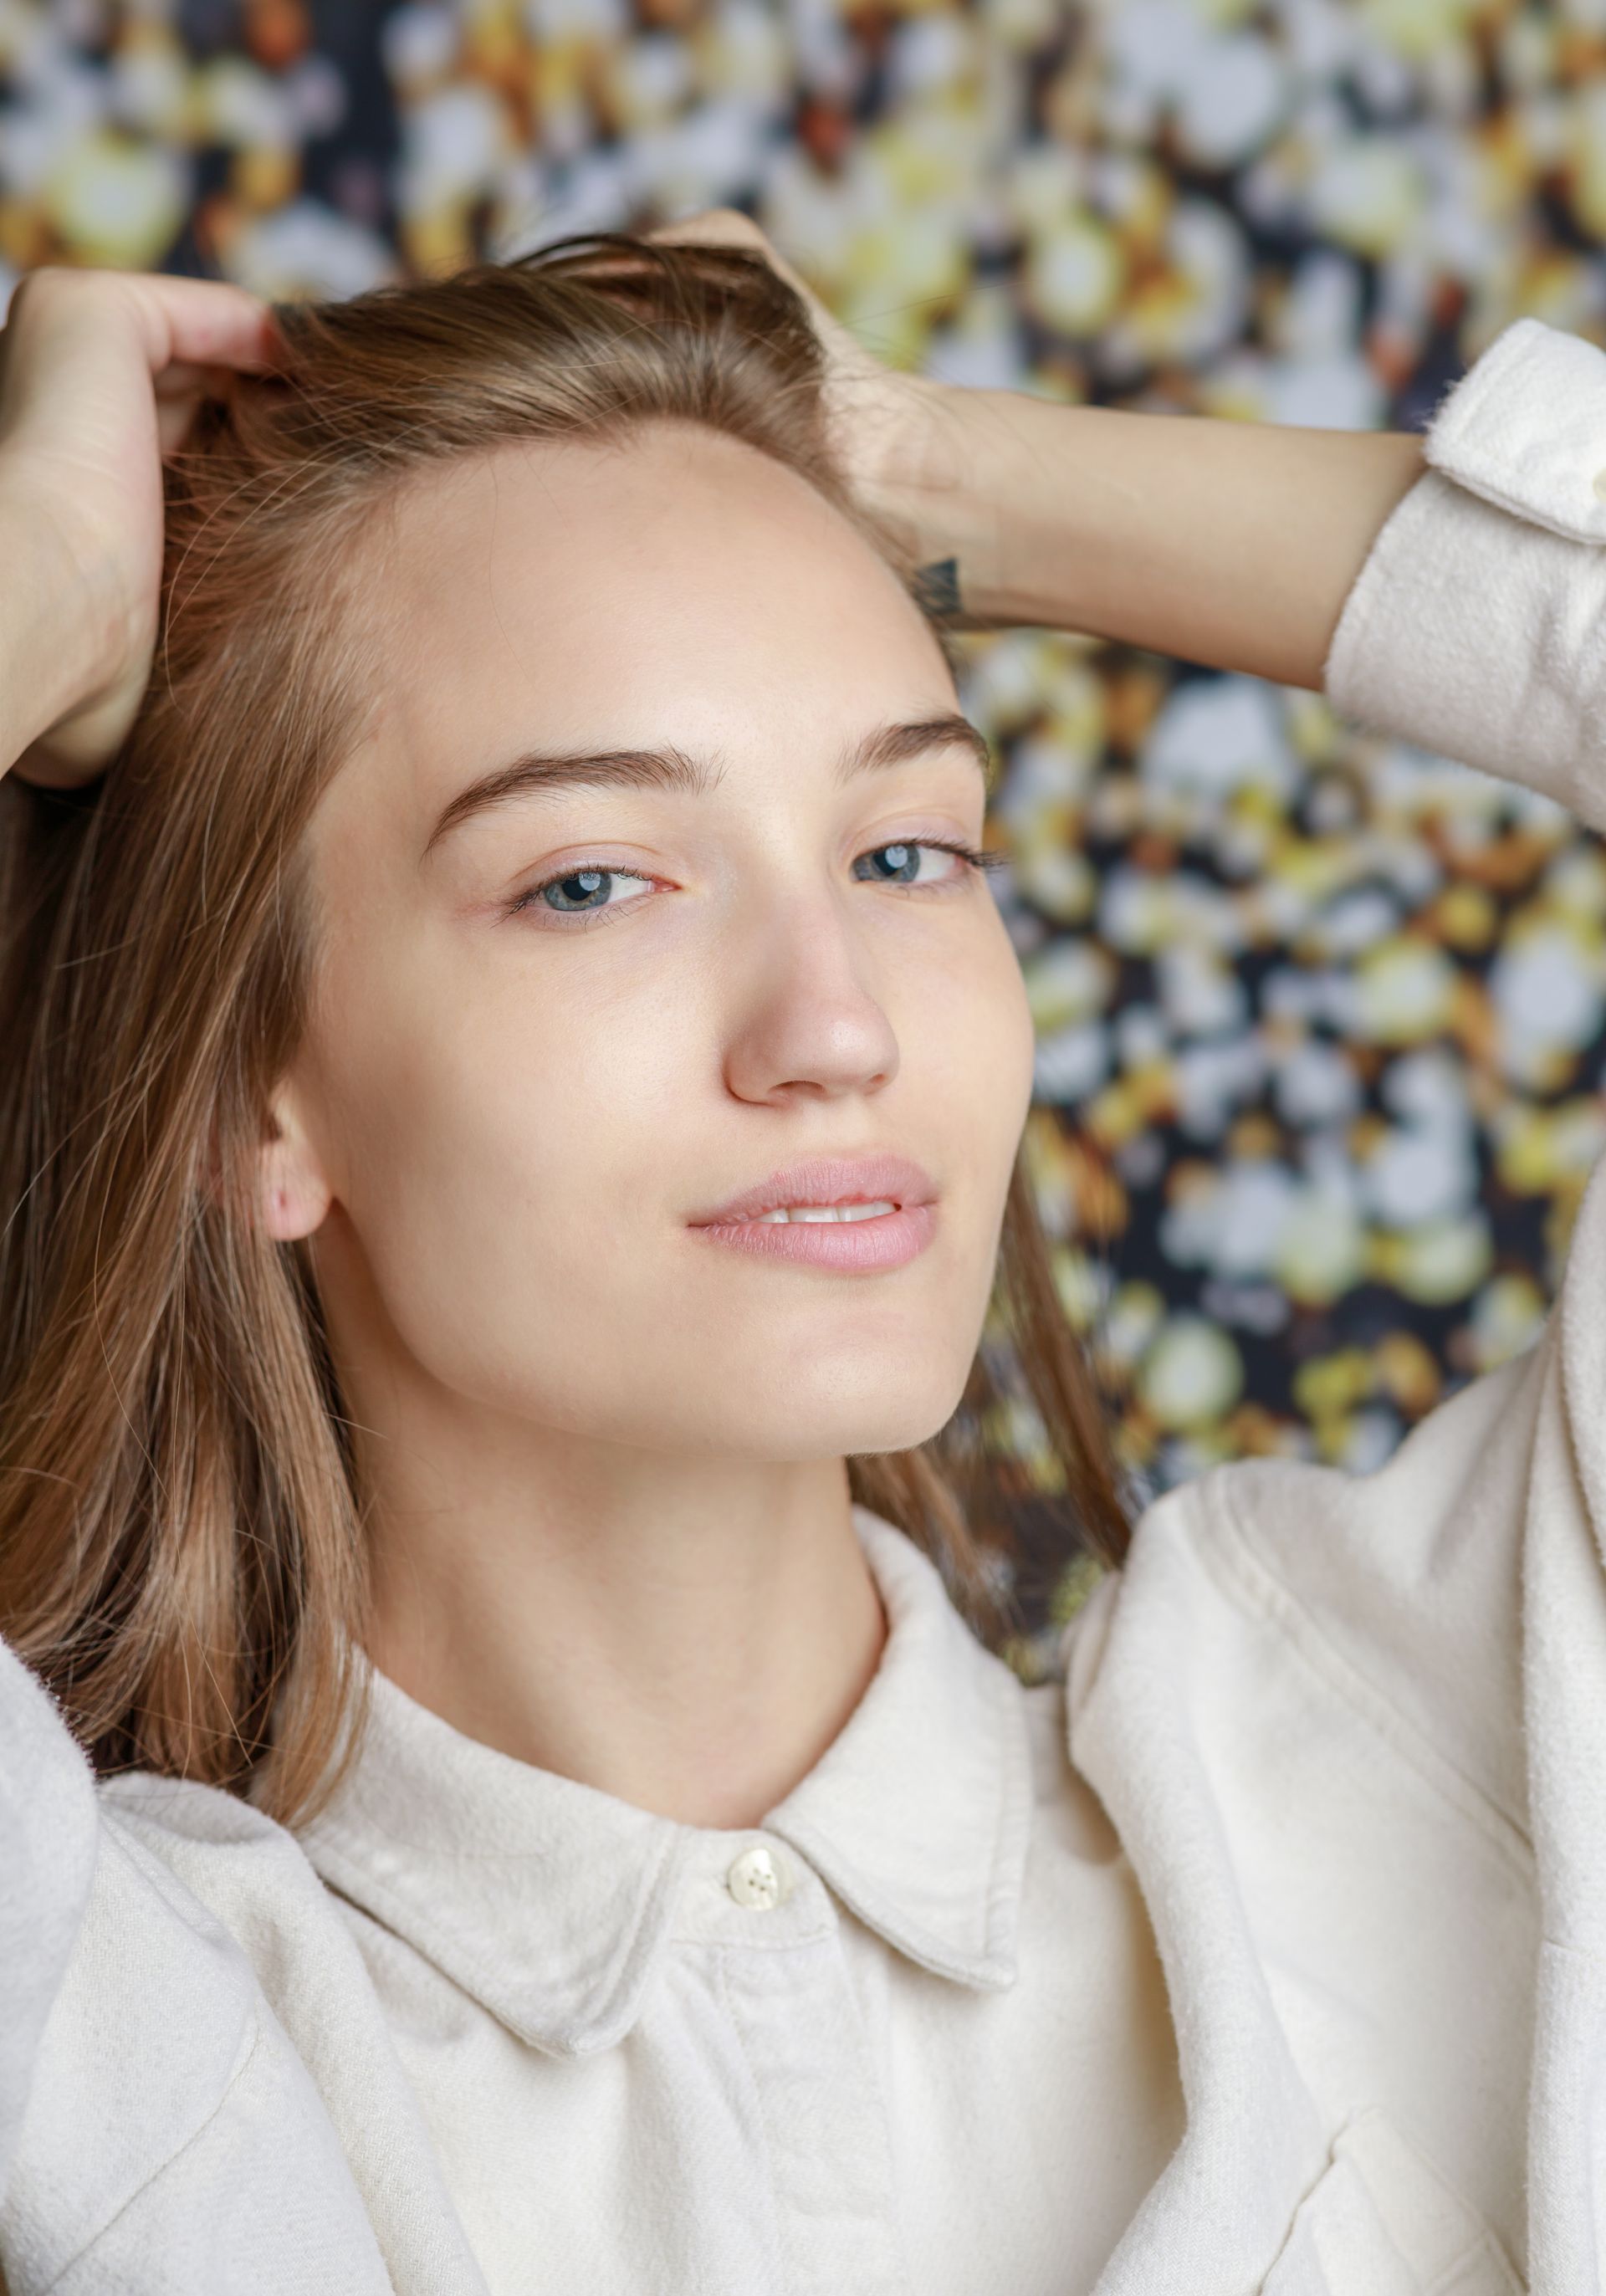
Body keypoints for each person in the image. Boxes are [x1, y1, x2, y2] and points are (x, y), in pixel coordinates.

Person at [0, 211, 1592, 2293]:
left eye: (908, 848)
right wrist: (46, 584)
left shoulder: (1403, 1751)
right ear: (245, 1099)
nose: (838, 1024)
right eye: (591, 880)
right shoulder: (107, 2024)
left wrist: (937, 476)